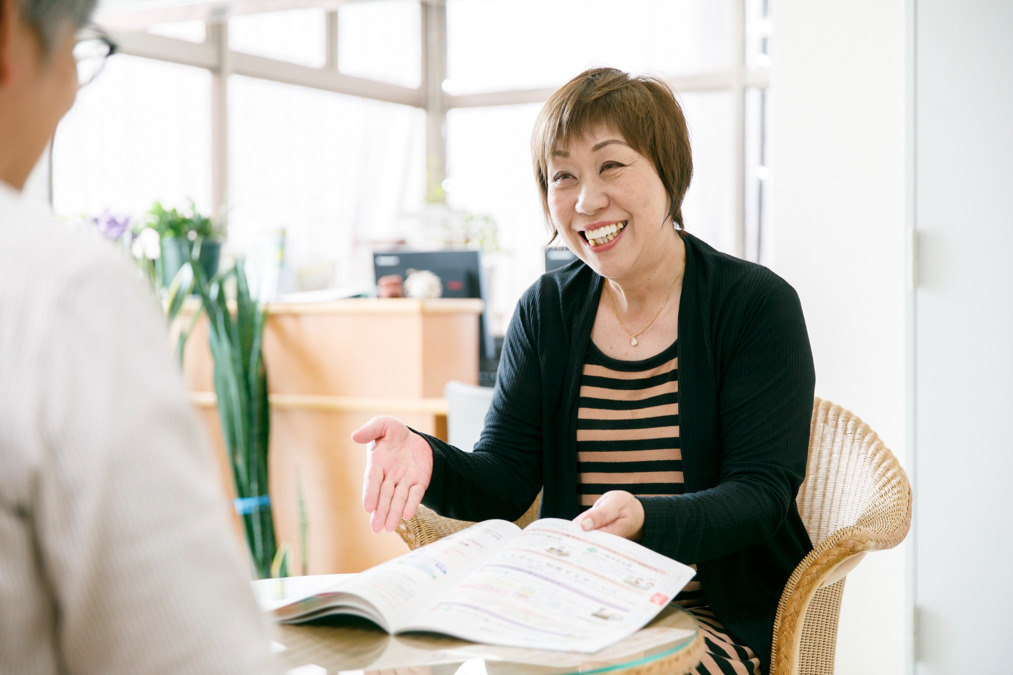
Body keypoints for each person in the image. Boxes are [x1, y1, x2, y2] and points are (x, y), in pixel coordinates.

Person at [353, 67, 815, 675]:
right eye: (562, 176)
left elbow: (761, 494)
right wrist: (427, 457)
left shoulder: (753, 304)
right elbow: (508, 479)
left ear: (668, 174)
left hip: (713, 617)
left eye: (612, 166)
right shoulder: (547, 311)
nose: (586, 200)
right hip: (566, 609)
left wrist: (649, 519)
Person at [0, 1, 277, 672]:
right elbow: (186, 654)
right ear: (11, 29)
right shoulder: (60, 291)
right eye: (75, 47)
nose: (68, 89)